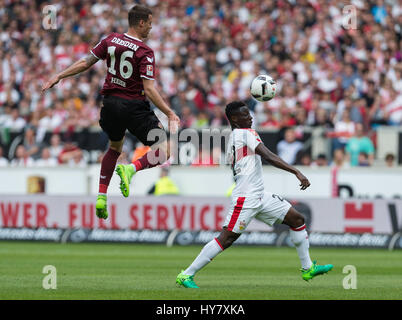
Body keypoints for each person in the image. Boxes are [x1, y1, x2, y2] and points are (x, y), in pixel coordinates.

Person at [42, 5, 180, 219]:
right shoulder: (145, 52)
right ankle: (130, 170)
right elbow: (149, 89)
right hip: (134, 106)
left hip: (110, 104)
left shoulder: (111, 40)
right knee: (165, 149)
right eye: (150, 24)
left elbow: (85, 62)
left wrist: (60, 75)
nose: (151, 28)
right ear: (141, 22)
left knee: (114, 147)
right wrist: (169, 112)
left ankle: (101, 196)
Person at [176, 101, 333, 288]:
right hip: (247, 197)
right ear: (234, 118)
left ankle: (308, 268)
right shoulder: (246, 133)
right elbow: (268, 156)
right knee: (226, 239)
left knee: (297, 219)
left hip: (259, 195)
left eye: (249, 114)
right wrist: (296, 172)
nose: (250, 117)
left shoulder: (234, 138)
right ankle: (186, 275)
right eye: (245, 114)